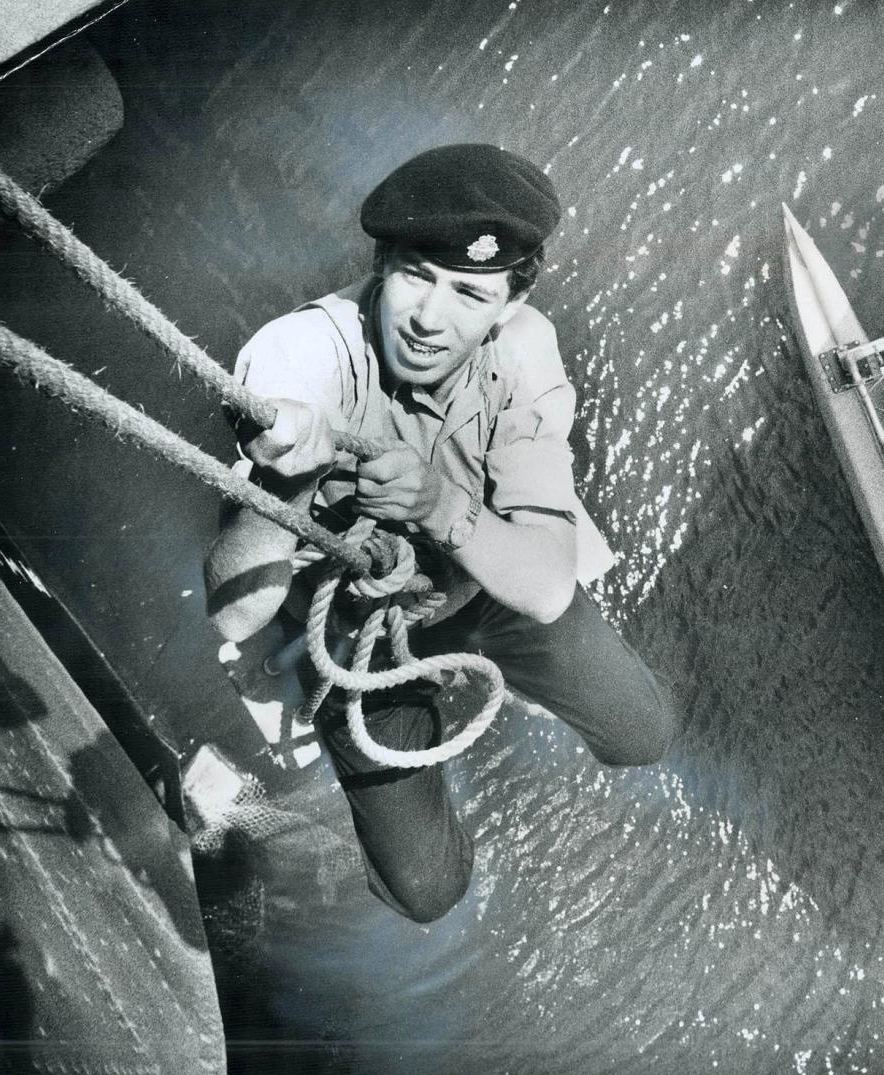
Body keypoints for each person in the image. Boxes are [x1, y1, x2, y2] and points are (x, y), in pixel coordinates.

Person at [203, 144, 677, 923]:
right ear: (382, 266)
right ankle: (396, 699)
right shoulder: (302, 357)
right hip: (360, 629)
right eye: (416, 276)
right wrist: (282, 480)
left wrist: (435, 506)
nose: (430, 318)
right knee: (428, 893)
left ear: (509, 304)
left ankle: (491, 667)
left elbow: (548, 589)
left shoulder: (522, 350)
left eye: (468, 292)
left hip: (481, 583)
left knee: (642, 733)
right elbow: (234, 615)